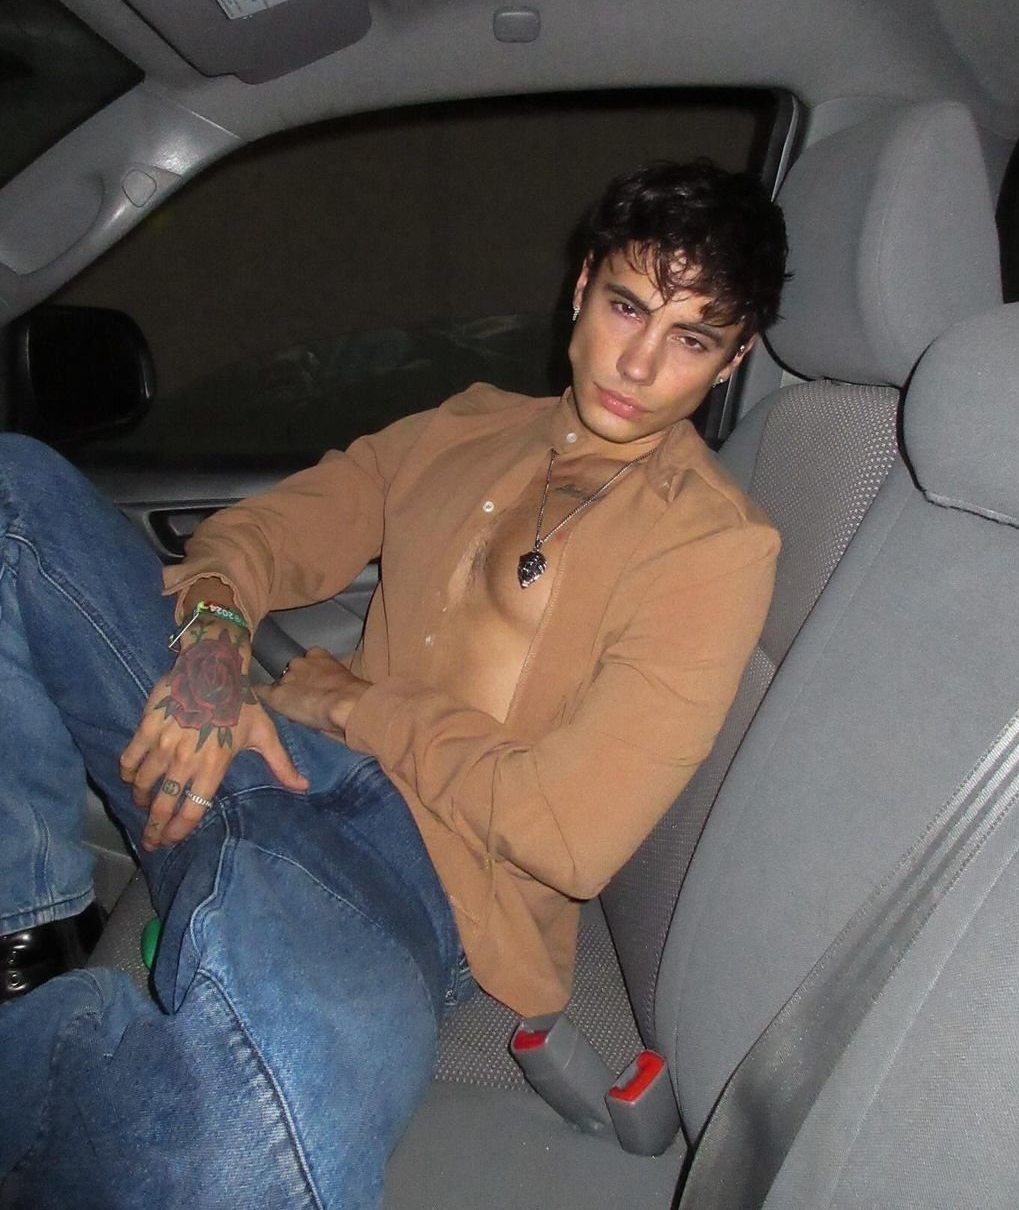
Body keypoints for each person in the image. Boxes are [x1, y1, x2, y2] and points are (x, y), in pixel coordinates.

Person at [0, 159, 786, 1208]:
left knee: (234, 1163)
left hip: (415, 878)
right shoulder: (465, 424)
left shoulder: (712, 547)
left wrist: (342, 700)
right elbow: (270, 534)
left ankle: (67, 1033)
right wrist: (216, 651)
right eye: (628, 306)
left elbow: (569, 831)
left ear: (734, 356)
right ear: (582, 284)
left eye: (690, 338)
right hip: (264, 757)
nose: (639, 363)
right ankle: (24, 942)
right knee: (13, 492)